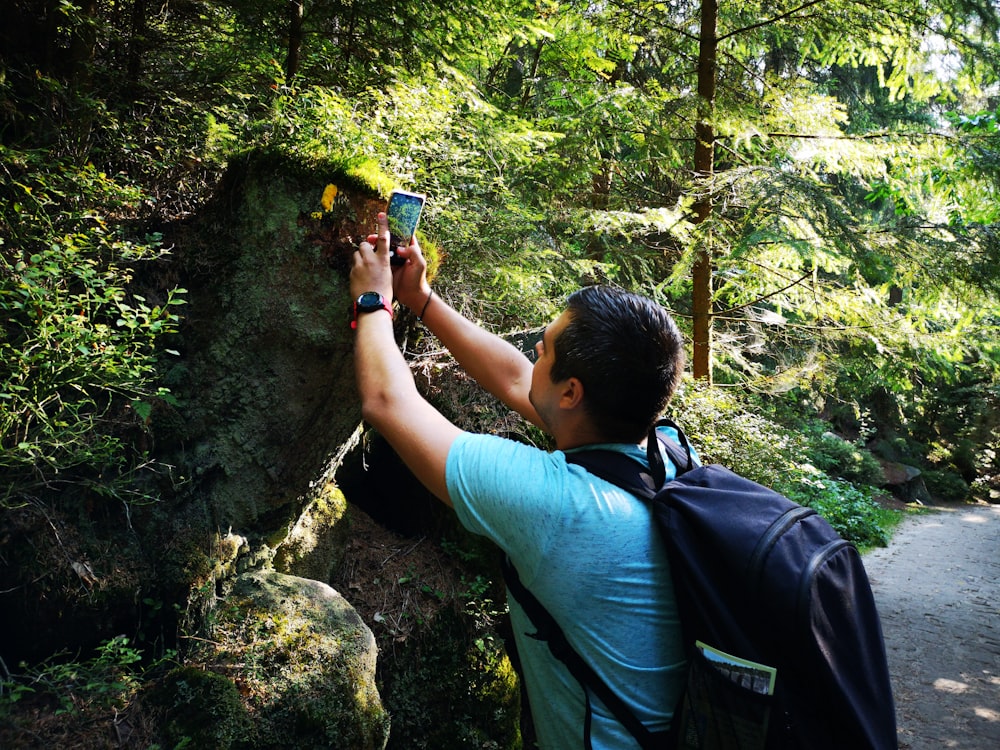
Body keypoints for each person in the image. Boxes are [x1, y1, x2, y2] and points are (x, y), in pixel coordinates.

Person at [350, 212, 690, 748]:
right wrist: (420, 298)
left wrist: (373, 300)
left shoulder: (557, 507)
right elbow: (514, 378)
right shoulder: (663, 450)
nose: (534, 349)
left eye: (546, 347)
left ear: (572, 393)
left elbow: (388, 402)